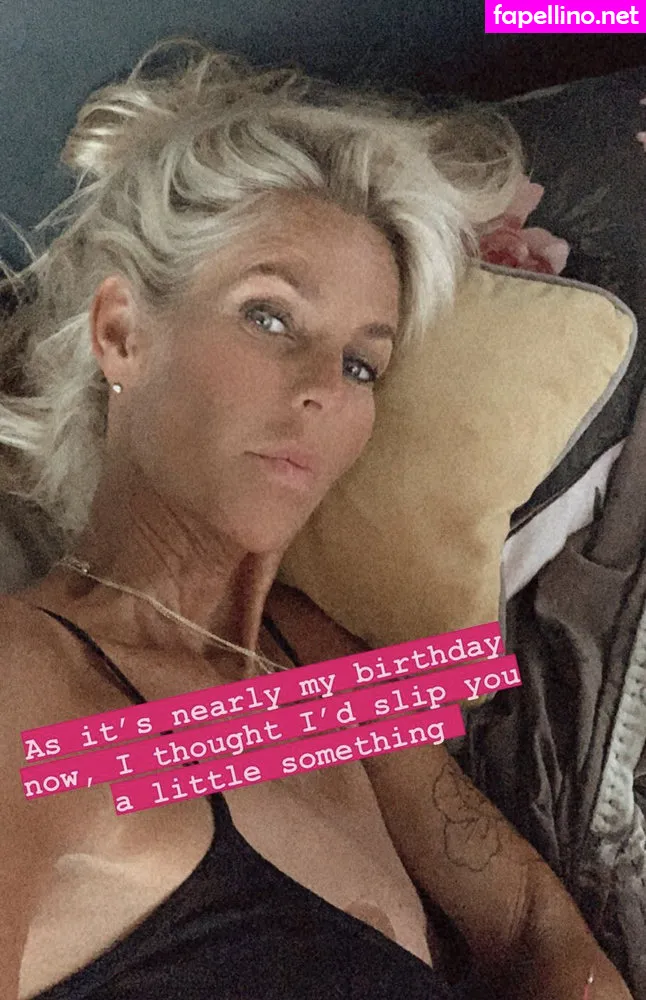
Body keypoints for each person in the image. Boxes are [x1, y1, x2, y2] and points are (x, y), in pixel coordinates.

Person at [0, 35, 631, 1000]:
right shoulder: (28, 679)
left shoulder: (313, 666)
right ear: (122, 333)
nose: (324, 391)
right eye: (269, 316)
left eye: (362, 364)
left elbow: (534, 930)